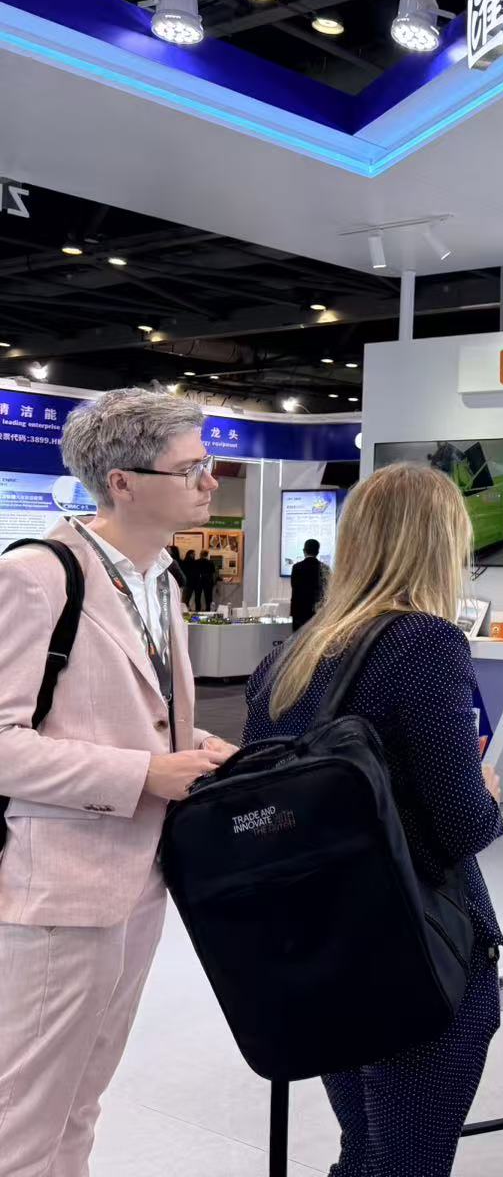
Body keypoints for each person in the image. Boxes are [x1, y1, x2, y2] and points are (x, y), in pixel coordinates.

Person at [0, 387, 238, 1175]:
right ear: (123, 482)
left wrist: (194, 745)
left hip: (141, 877)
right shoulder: (37, 576)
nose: (210, 481)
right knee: (24, 1115)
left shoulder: (158, 579)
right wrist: (144, 773)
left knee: (80, 1100)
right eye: (191, 468)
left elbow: (119, 713)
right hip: (58, 887)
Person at [244, 463, 503, 1177]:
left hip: (324, 949)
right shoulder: (425, 643)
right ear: (441, 546)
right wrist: (486, 791)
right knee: (405, 1162)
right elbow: (461, 826)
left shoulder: (288, 659)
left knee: (363, 1149)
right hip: (418, 955)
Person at [289, 537, 325, 632]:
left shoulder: (296, 567)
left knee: (298, 639)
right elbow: (326, 592)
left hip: (299, 613)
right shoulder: (325, 568)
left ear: (304, 551)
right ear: (317, 552)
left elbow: (294, 587)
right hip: (318, 613)